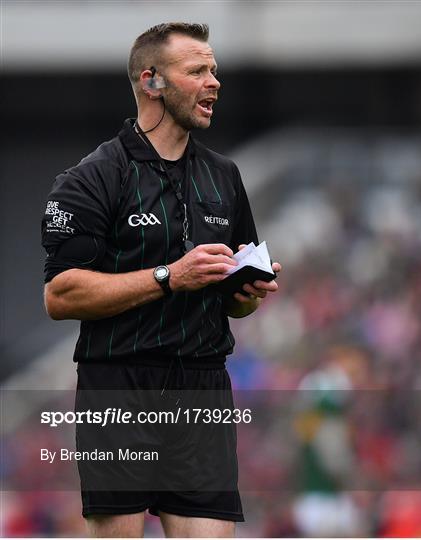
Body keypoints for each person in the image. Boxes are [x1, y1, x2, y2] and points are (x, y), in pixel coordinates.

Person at [41, 22, 281, 538]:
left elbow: (235, 307)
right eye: (197, 70)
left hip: (203, 386)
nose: (214, 81)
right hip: (119, 387)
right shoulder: (93, 177)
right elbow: (60, 295)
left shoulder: (225, 176)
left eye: (214, 70)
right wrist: (170, 276)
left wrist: (247, 292)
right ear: (151, 82)